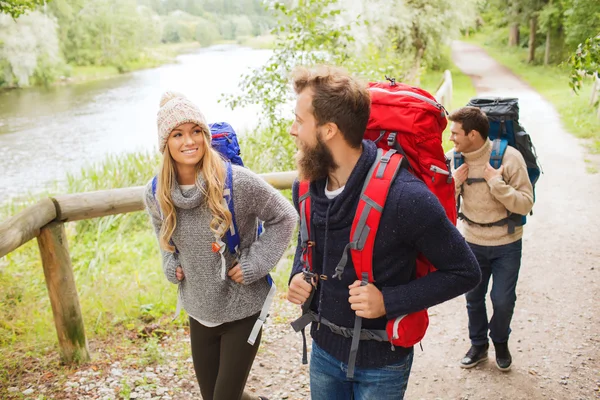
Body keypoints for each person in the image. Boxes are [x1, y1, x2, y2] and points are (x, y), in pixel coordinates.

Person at [285, 65, 481, 399]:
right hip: (323, 350)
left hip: (382, 364)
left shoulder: (406, 197)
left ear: (329, 130)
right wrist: (299, 274)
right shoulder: (305, 187)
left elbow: (465, 271)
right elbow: (310, 242)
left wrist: (388, 301)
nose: (292, 130)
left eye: (300, 121)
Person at [144, 91, 297, 400]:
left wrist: (256, 262)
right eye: (178, 134)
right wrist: (169, 262)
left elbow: (285, 217)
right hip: (200, 310)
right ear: (165, 143)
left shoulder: (238, 182)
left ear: (206, 135)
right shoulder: (156, 192)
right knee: (215, 395)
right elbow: (162, 230)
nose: (190, 141)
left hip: (244, 309)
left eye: (196, 131)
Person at [447, 106, 534, 371]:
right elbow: (441, 208)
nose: (451, 139)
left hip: (506, 243)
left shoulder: (510, 157)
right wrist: (453, 184)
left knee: (502, 300)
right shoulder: (453, 159)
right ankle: (478, 346)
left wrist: (497, 184)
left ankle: (500, 342)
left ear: (472, 135)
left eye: (455, 133)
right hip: (472, 240)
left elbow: (525, 203)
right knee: (473, 298)